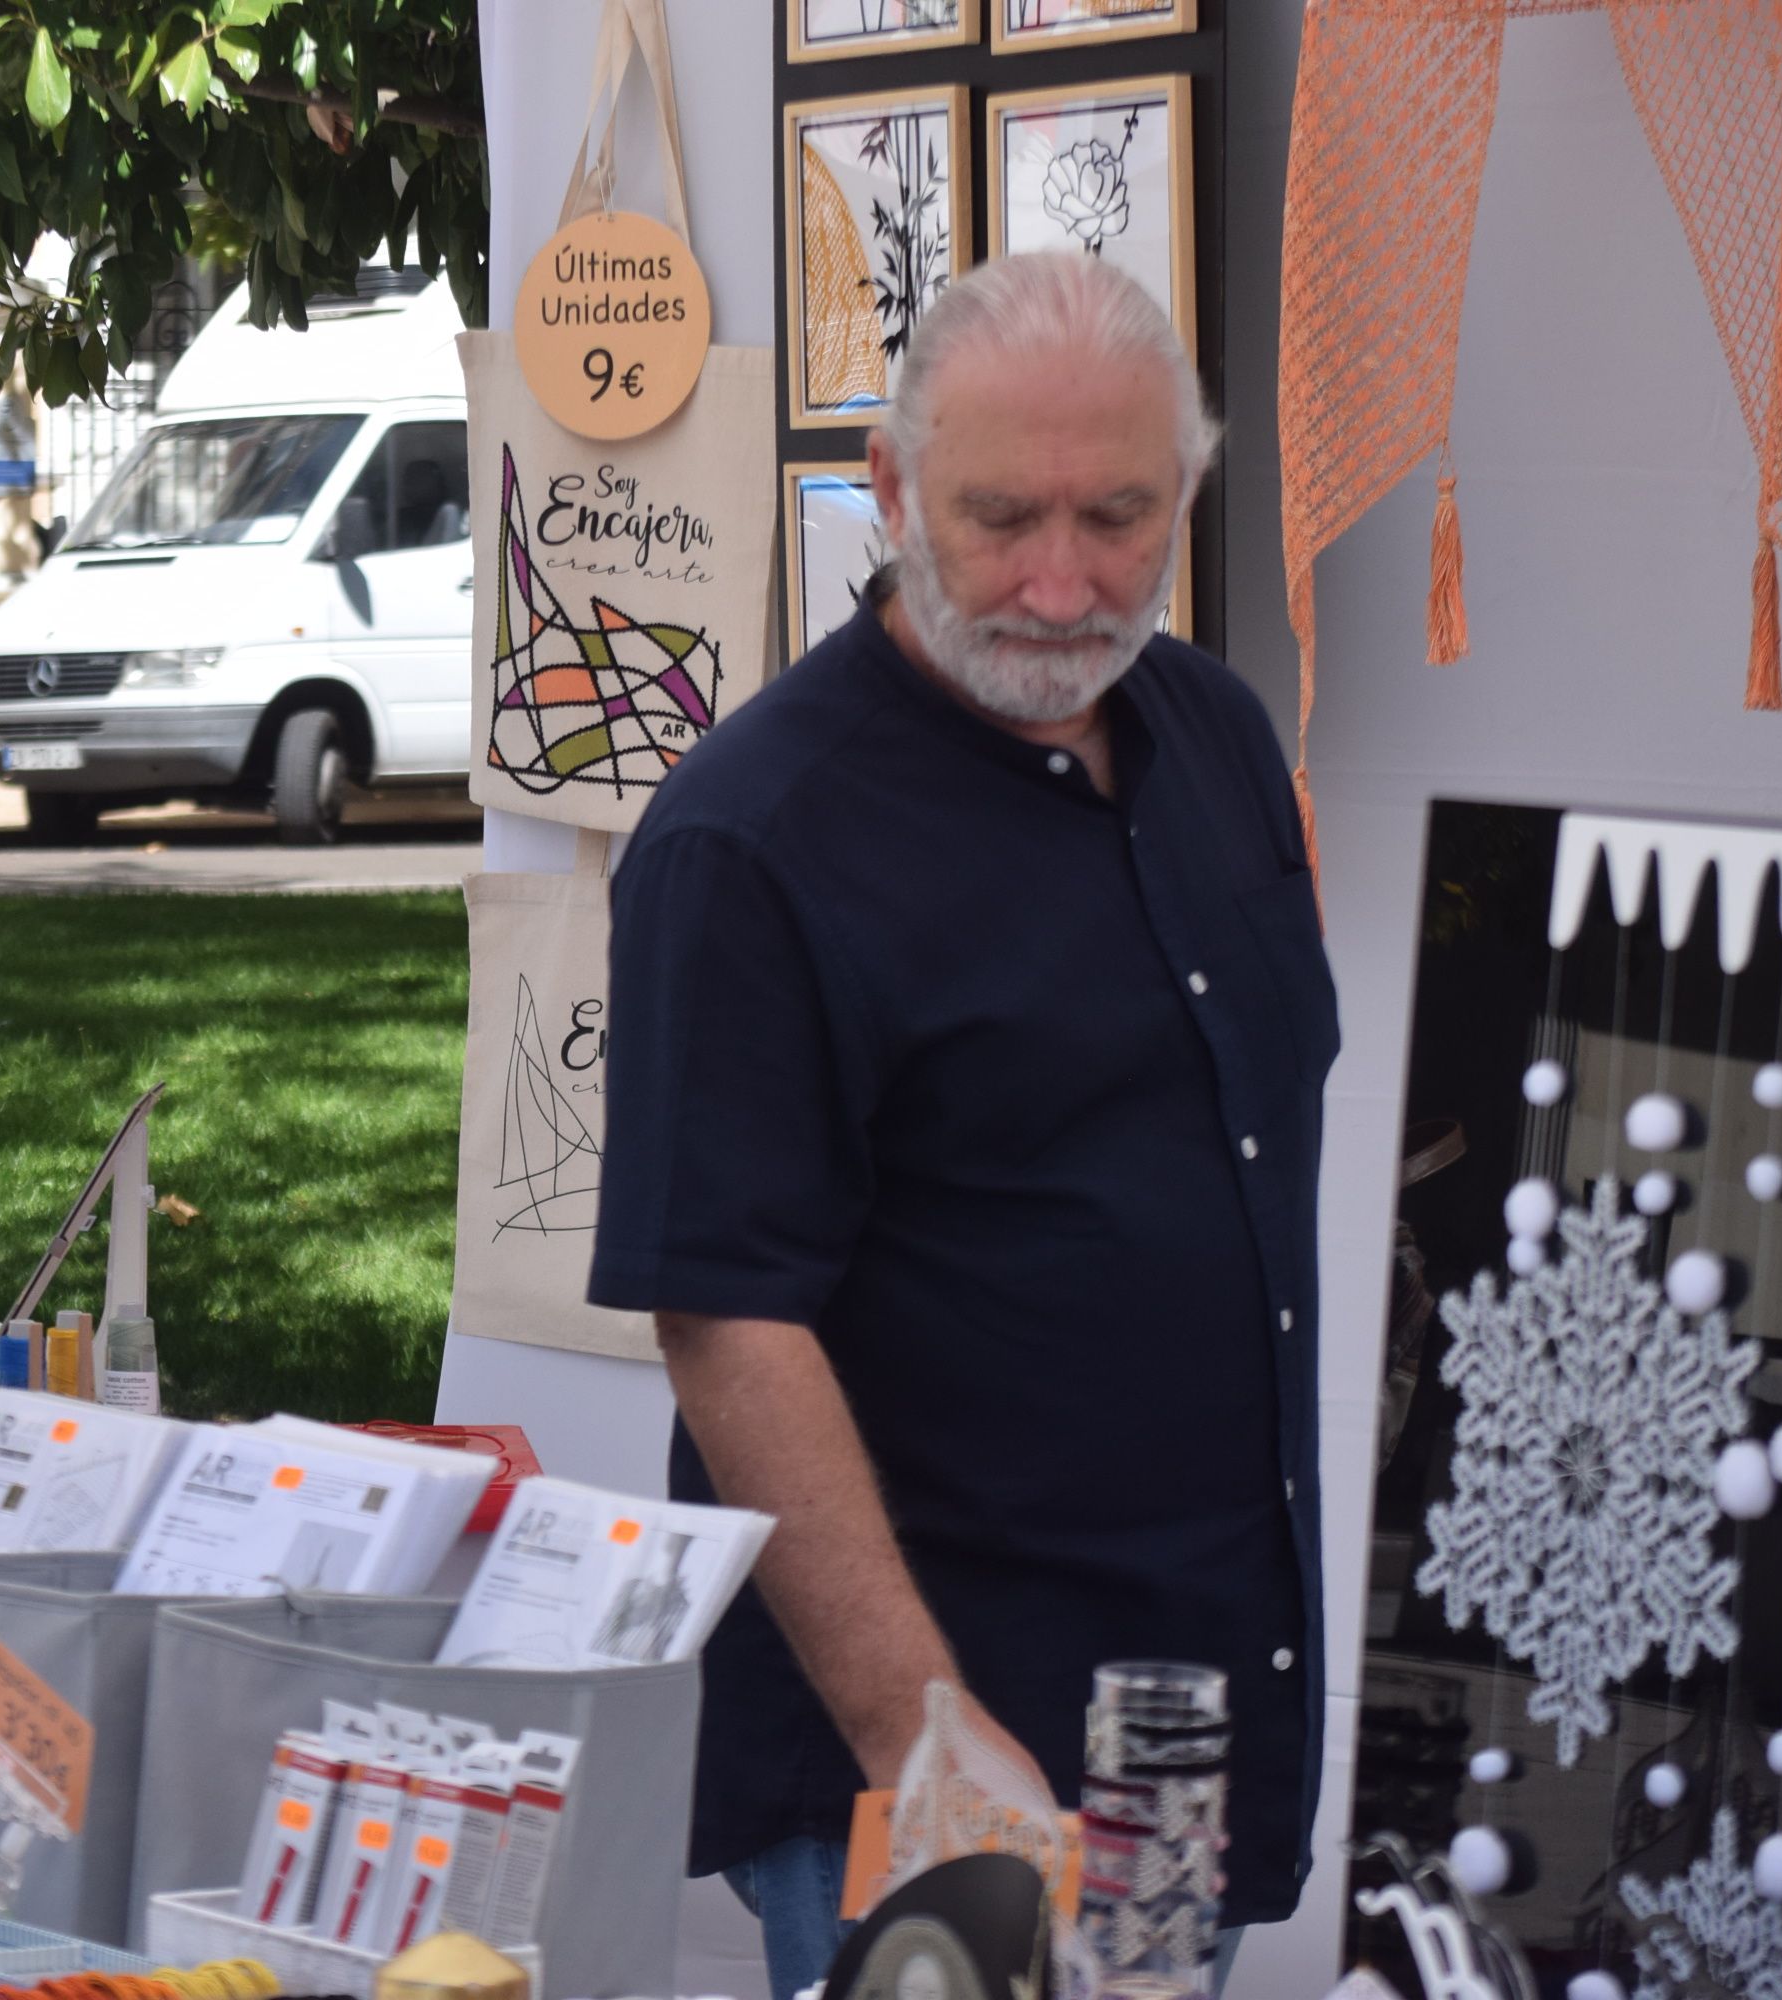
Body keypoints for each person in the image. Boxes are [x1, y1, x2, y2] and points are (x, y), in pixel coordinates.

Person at [589, 252, 1334, 1998]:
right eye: (1001, 517)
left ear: (1187, 493)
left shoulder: (1215, 734)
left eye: (1117, 516)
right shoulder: (749, 840)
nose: (1061, 582)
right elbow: (728, 1319)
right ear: (891, 483)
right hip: (937, 1740)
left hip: (1190, 1708)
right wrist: (922, 1731)